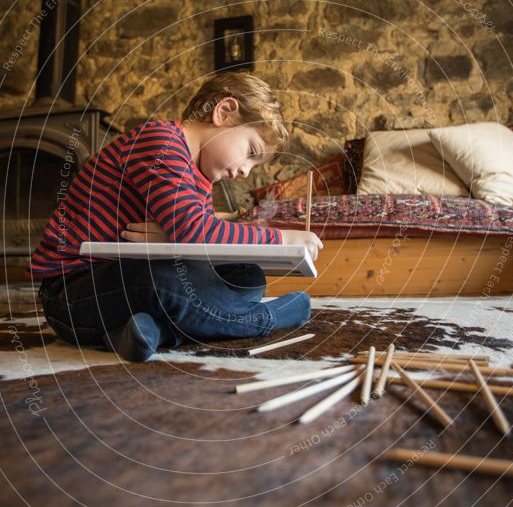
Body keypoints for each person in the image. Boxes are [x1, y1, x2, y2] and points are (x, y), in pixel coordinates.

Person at [28, 71, 322, 361]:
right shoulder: (161, 142)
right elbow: (196, 233)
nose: (246, 171)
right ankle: (266, 319)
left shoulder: (202, 180)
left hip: (124, 295)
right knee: (164, 280)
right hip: (72, 295)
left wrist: (176, 237)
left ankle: (150, 333)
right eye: (250, 151)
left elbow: (198, 243)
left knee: (247, 276)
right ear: (225, 112)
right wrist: (281, 238)